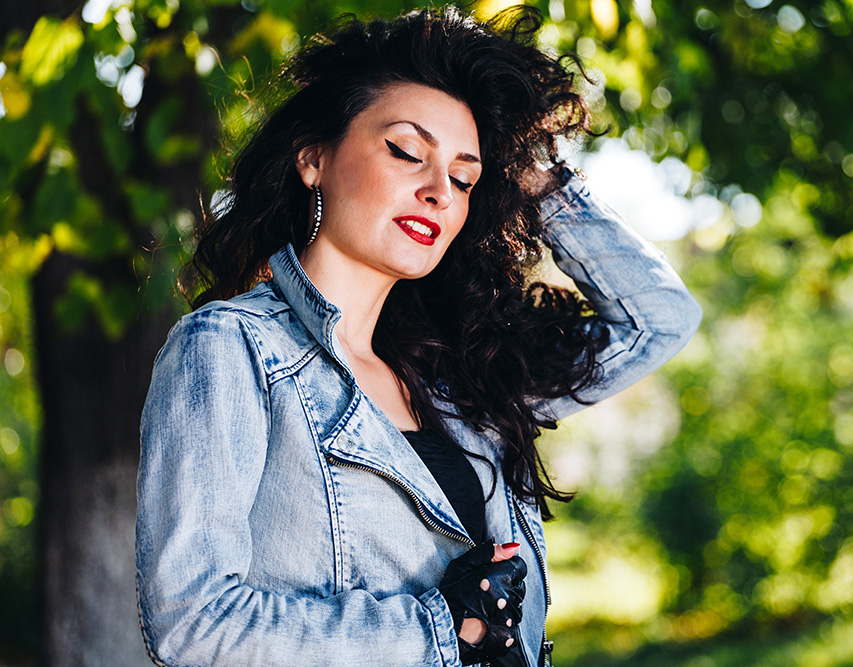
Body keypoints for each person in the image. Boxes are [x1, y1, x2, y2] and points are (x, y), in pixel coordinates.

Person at [135, 6, 701, 667]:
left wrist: (533, 173)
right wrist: (440, 629)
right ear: (314, 158)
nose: (439, 191)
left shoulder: (462, 373)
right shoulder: (231, 349)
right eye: (406, 151)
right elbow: (191, 623)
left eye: (464, 177)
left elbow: (657, 319)